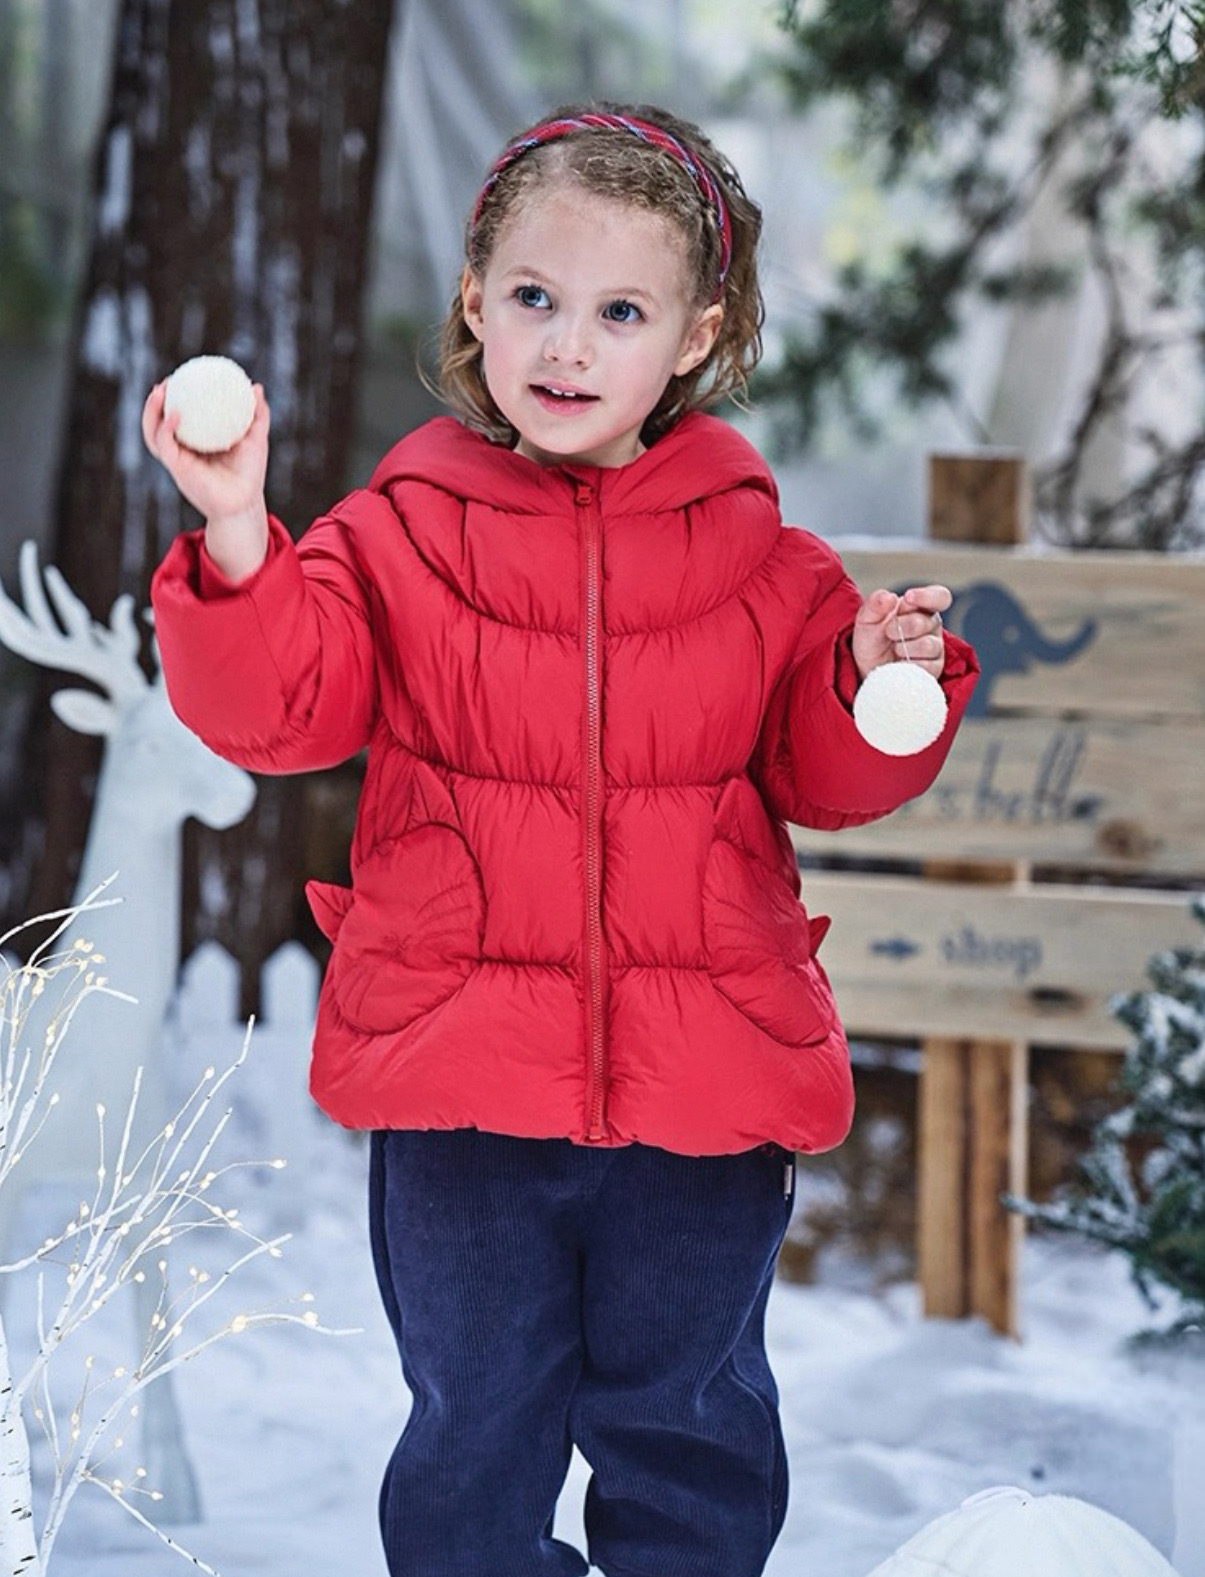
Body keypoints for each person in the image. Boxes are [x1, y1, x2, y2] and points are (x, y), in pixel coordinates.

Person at [144, 102, 978, 1577]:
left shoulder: (765, 562)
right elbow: (279, 710)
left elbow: (832, 775)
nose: (567, 347)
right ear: (475, 300)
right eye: (534, 297)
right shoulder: (398, 536)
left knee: (689, 1430)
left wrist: (872, 677)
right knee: (475, 1436)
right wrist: (235, 538)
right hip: (462, 1093)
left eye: (619, 312)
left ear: (696, 336)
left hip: (703, 1096)